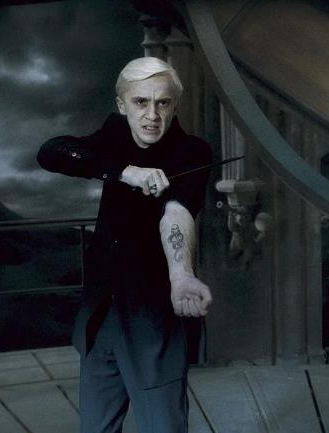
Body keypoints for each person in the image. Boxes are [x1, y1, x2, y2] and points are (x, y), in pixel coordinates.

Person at [36, 57, 213, 433]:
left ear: (174, 106)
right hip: (100, 316)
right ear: (121, 105)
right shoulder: (114, 133)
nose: (152, 115)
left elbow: (177, 214)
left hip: (150, 321)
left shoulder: (191, 152)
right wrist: (124, 171)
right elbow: (51, 152)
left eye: (163, 103)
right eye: (141, 102)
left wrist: (181, 274)